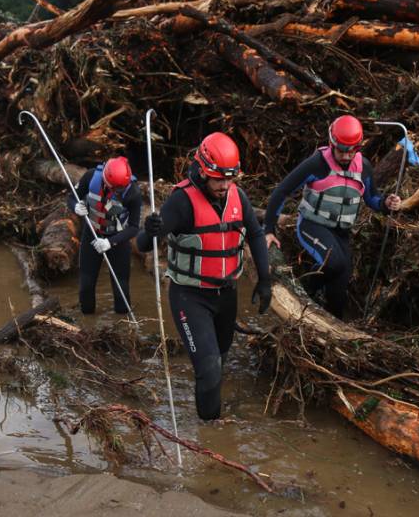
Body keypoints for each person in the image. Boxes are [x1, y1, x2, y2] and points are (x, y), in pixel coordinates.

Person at [137, 132, 272, 420]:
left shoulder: (238, 196)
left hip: (226, 294)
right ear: (202, 171)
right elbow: (143, 245)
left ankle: (209, 414)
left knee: (219, 362)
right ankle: (209, 440)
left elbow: (257, 234)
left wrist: (265, 280)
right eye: (218, 179)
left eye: (229, 179)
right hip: (190, 296)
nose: (224, 186)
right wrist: (150, 230)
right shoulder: (181, 201)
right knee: (209, 370)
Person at [262, 115, 402, 320]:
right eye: (341, 151)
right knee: (333, 262)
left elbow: (372, 199)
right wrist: (268, 229)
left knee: (340, 288)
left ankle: (331, 327)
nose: (346, 156)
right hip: (311, 225)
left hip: (341, 233)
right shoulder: (317, 164)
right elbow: (281, 192)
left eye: (351, 151)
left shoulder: (364, 167)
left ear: (358, 147)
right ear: (332, 143)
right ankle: (302, 292)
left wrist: (387, 204)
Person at [69, 156, 141, 315]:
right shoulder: (90, 177)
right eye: (115, 189)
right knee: (86, 287)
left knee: (121, 291)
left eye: (121, 189)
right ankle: (86, 325)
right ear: (105, 180)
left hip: (118, 240)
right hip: (92, 235)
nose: (118, 192)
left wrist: (110, 242)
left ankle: (123, 327)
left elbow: (134, 228)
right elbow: (72, 196)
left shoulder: (133, 193)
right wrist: (76, 206)